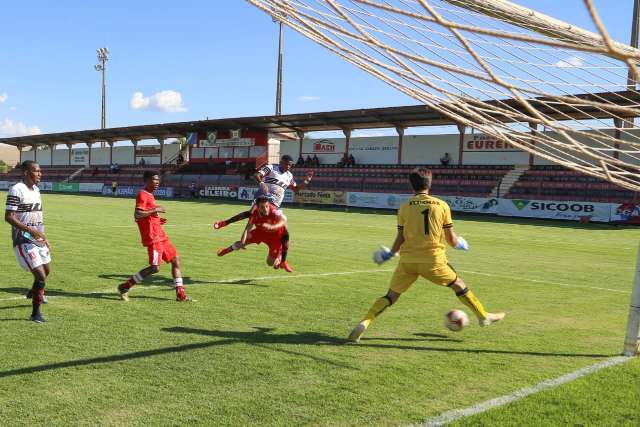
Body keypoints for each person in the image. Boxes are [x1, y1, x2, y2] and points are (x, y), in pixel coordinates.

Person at [348, 167, 504, 343]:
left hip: (408, 261)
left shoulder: (404, 207)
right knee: (458, 285)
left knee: (390, 296)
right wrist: (461, 243)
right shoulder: (442, 205)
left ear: (412, 186)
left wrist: (389, 254)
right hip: (433, 261)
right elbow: (451, 240)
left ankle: (365, 322)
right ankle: (483, 317)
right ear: (430, 184)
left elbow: (401, 237)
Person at [212, 155, 313, 273]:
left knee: (281, 231)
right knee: (251, 214)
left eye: (290, 165)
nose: (288, 166)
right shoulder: (271, 168)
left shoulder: (289, 176)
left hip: (274, 205)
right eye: (286, 163)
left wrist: (306, 181)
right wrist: (261, 183)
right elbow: (257, 175)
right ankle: (224, 223)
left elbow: (296, 189)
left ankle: (281, 258)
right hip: (263, 199)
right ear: (281, 162)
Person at [117, 170, 191, 302]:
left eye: (158, 180)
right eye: (154, 180)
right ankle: (125, 286)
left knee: (176, 260)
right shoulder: (143, 194)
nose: (157, 182)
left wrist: (157, 219)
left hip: (161, 235)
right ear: (146, 180)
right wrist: (156, 210)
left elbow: (146, 214)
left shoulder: (150, 195)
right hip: (153, 237)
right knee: (155, 268)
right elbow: (138, 214)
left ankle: (181, 294)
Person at [5, 160, 51, 323]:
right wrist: (30, 231)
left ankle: (34, 291)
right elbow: (8, 217)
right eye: (36, 171)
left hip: (37, 239)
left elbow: (38, 217)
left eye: (40, 171)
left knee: (46, 271)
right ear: (26, 172)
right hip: (23, 239)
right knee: (40, 277)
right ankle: (35, 313)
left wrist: (44, 238)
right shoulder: (17, 189)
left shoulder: (37, 190)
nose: (40, 174)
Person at [217, 196, 288, 268]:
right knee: (240, 243)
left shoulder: (273, 211)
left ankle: (279, 258)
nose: (265, 209)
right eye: (262, 207)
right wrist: (242, 241)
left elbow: (284, 220)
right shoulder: (254, 214)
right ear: (257, 207)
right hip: (259, 233)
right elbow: (247, 229)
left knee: (269, 263)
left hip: (275, 237)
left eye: (266, 206)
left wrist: (272, 227)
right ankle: (226, 250)